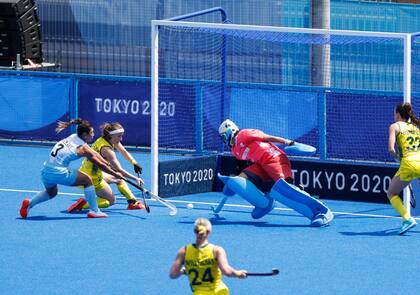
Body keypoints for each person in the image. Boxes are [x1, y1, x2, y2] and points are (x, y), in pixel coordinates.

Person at [217, 119, 333, 226]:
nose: (223, 139)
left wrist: (289, 143)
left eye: (223, 136)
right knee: (240, 179)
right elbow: (243, 166)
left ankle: (321, 212)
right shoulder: (235, 150)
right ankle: (265, 204)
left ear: (229, 130)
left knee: (286, 189)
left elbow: (267, 137)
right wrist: (233, 185)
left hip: (274, 158)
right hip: (260, 165)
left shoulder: (244, 134)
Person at [19, 119, 123, 219]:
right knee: (87, 180)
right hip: (58, 172)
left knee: (52, 192)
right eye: (91, 132)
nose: (93, 134)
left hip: (46, 171)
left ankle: (29, 203)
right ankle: (94, 211)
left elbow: (94, 153)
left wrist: (107, 163)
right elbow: (100, 165)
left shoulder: (74, 136)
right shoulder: (82, 149)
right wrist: (115, 173)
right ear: (84, 135)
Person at [67, 122, 145, 213]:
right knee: (111, 201)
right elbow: (118, 169)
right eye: (119, 136)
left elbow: (123, 151)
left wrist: (134, 163)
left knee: (118, 178)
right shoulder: (106, 150)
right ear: (110, 135)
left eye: (121, 136)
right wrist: (135, 178)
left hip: (88, 172)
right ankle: (84, 204)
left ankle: (132, 203)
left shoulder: (106, 139)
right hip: (92, 178)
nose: (121, 138)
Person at [169, 218, 247, 294]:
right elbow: (227, 272)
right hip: (220, 291)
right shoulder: (216, 250)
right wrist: (238, 273)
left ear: (195, 231)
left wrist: (183, 271)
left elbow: (173, 274)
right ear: (209, 232)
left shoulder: (184, 251)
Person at [387, 102, 418, 235]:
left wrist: (398, 158)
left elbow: (391, 149)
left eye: (394, 113)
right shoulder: (416, 127)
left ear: (398, 114)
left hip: (409, 163)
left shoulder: (395, 126)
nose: (394, 116)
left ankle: (407, 219)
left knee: (391, 193)